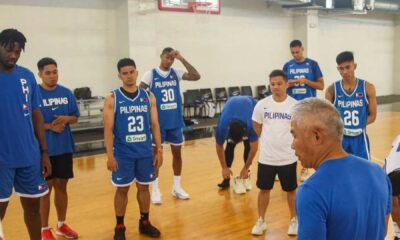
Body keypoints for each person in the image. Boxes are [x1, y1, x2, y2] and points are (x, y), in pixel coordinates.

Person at [291, 98, 391, 240]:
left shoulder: (311, 191)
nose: (292, 145)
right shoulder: (378, 172)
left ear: (316, 136)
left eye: (294, 135)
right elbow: (383, 231)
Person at [0, 28, 51, 240]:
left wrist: (44, 152)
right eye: (9, 50)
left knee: (32, 206)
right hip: (2, 157)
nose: (13, 55)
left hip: (29, 156)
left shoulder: (27, 76)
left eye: (18, 51)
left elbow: (36, 114)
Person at [104, 58, 163, 240]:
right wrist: (110, 156)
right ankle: (119, 226)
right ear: (119, 75)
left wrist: (159, 149)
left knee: (144, 188)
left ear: (137, 73)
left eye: (132, 72)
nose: (129, 76)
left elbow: (154, 124)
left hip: (145, 152)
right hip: (123, 154)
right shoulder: (112, 98)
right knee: (122, 190)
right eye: (125, 73)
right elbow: (108, 129)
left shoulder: (148, 96)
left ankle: (144, 222)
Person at [139, 47, 200, 204]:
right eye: (167, 57)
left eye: (172, 58)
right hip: (157, 124)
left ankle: (177, 187)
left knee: (177, 155)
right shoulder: (151, 74)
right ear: (161, 56)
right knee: (156, 156)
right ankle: (155, 189)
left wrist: (181, 58)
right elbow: (139, 94)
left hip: (174, 122)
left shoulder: (177, 73)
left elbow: (196, 76)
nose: (169, 61)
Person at [37, 58, 80, 240]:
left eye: (55, 72)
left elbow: (75, 117)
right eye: (48, 73)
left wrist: (65, 119)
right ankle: (44, 229)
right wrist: (49, 126)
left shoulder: (66, 93)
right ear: (40, 74)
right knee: (45, 189)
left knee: (62, 187)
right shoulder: (34, 94)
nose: (52, 76)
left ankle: (61, 224)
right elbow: (31, 122)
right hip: (44, 150)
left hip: (64, 148)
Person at [251, 70, 298, 236]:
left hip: (288, 157)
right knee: (264, 190)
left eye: (279, 84)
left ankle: (293, 220)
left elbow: (297, 129)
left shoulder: (294, 105)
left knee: (291, 190)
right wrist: (268, 139)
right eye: (272, 84)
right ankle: (261, 220)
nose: (276, 87)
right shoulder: (262, 104)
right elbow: (257, 125)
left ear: (286, 84)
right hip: (267, 158)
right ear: (269, 84)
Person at [283, 39, 324, 181]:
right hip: (292, 107)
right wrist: (288, 84)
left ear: (302, 49)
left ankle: (305, 169)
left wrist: (306, 81)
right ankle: (282, 167)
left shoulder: (312, 64)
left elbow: (321, 85)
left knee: (307, 138)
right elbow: (282, 86)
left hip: (309, 107)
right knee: (289, 136)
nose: (295, 55)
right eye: (293, 52)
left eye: (297, 52)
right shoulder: (287, 65)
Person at [326, 51, 377, 160]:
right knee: (340, 169)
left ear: (355, 66)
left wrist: (357, 126)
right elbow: (328, 118)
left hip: (360, 139)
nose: (345, 71)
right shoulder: (332, 90)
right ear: (338, 69)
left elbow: (373, 116)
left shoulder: (368, 87)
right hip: (340, 139)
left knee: (363, 170)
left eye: (348, 67)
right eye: (341, 68)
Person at [214, 96, 259, 191]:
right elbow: (219, 146)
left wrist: (246, 167)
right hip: (231, 103)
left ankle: (246, 175)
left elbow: (254, 148)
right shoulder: (222, 126)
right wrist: (224, 167)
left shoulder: (251, 125)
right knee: (230, 145)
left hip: (250, 103)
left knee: (248, 145)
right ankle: (226, 178)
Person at [384, 135, 400, 240]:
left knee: (392, 205)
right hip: (392, 171)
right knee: (393, 205)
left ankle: (397, 233)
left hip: (390, 171)